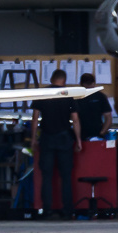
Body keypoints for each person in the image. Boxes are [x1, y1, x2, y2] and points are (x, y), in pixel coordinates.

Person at [31, 68, 81, 218]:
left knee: (46, 176)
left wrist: (33, 138)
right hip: (65, 138)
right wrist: (78, 140)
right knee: (66, 176)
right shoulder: (68, 95)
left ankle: (46, 210)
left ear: (51, 79)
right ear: (64, 81)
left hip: (47, 137)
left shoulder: (43, 94)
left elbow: (35, 118)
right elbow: (76, 119)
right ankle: (67, 211)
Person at [76, 72, 114, 140]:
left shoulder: (77, 97)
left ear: (81, 84)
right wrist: (102, 133)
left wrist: (101, 133)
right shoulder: (100, 96)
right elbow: (108, 118)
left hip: (83, 134)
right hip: (95, 133)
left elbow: (74, 118)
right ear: (94, 83)